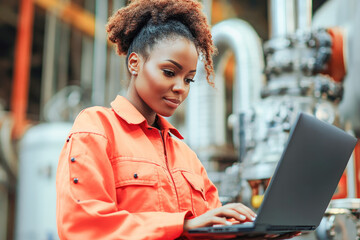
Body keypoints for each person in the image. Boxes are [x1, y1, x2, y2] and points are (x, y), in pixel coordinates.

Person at [56, 0, 298, 239]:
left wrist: (256, 232)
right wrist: (183, 225)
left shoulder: (186, 156)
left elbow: (212, 226)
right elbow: (82, 226)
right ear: (134, 63)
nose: (180, 88)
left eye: (188, 79)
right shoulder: (96, 129)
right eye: (169, 72)